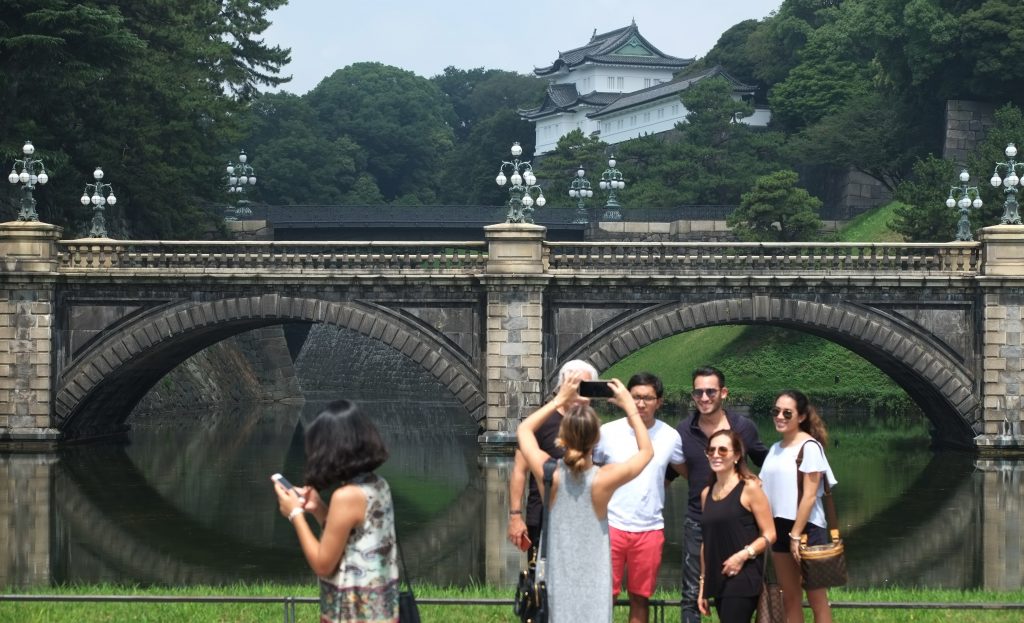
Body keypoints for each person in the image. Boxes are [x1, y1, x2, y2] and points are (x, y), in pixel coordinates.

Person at [517, 373, 654, 623]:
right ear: (596, 439)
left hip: (556, 579)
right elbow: (646, 452)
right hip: (595, 583)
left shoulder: (549, 473)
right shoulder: (603, 479)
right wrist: (629, 406)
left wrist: (559, 400)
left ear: (562, 439)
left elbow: (524, 429)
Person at [272, 400, 398, 623]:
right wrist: (319, 509)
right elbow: (354, 540)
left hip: (352, 615)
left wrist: (295, 515)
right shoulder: (379, 485)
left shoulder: (346, 496)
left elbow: (323, 564)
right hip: (381, 613)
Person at [669, 366, 768, 623]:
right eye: (698, 392)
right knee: (692, 594)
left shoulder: (743, 428)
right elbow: (670, 472)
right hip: (698, 519)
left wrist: (758, 483)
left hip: (736, 521)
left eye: (710, 391)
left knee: (735, 587)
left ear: (723, 393)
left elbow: (765, 460)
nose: (704, 398)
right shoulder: (683, 430)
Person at [593, 372, 685, 623]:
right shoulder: (607, 432)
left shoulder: (670, 436)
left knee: (640, 597)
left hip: (649, 527)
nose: (641, 404)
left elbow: (687, 470)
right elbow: (590, 470)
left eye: (647, 398)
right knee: (603, 596)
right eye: (635, 398)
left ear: (660, 402)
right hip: (609, 526)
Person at [759, 390, 837, 623]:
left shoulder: (810, 447)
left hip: (807, 529)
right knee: (789, 597)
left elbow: (810, 495)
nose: (780, 417)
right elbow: (763, 488)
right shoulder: (774, 448)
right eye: (776, 411)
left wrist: (796, 535)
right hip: (780, 527)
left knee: (817, 599)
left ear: (801, 417)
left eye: (787, 413)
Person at [507, 359, 599, 557]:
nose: (580, 397)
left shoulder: (591, 424)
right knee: (540, 577)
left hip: (584, 517)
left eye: (586, 389)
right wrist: (515, 516)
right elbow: (519, 470)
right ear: (562, 388)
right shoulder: (541, 421)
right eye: (574, 388)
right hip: (542, 517)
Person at [698, 429, 776, 623]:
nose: (716, 455)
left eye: (723, 450)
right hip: (718, 577)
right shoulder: (706, 493)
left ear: (737, 455)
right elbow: (705, 542)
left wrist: (743, 555)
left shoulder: (749, 488)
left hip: (744, 576)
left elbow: (770, 534)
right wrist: (703, 584)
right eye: (711, 450)